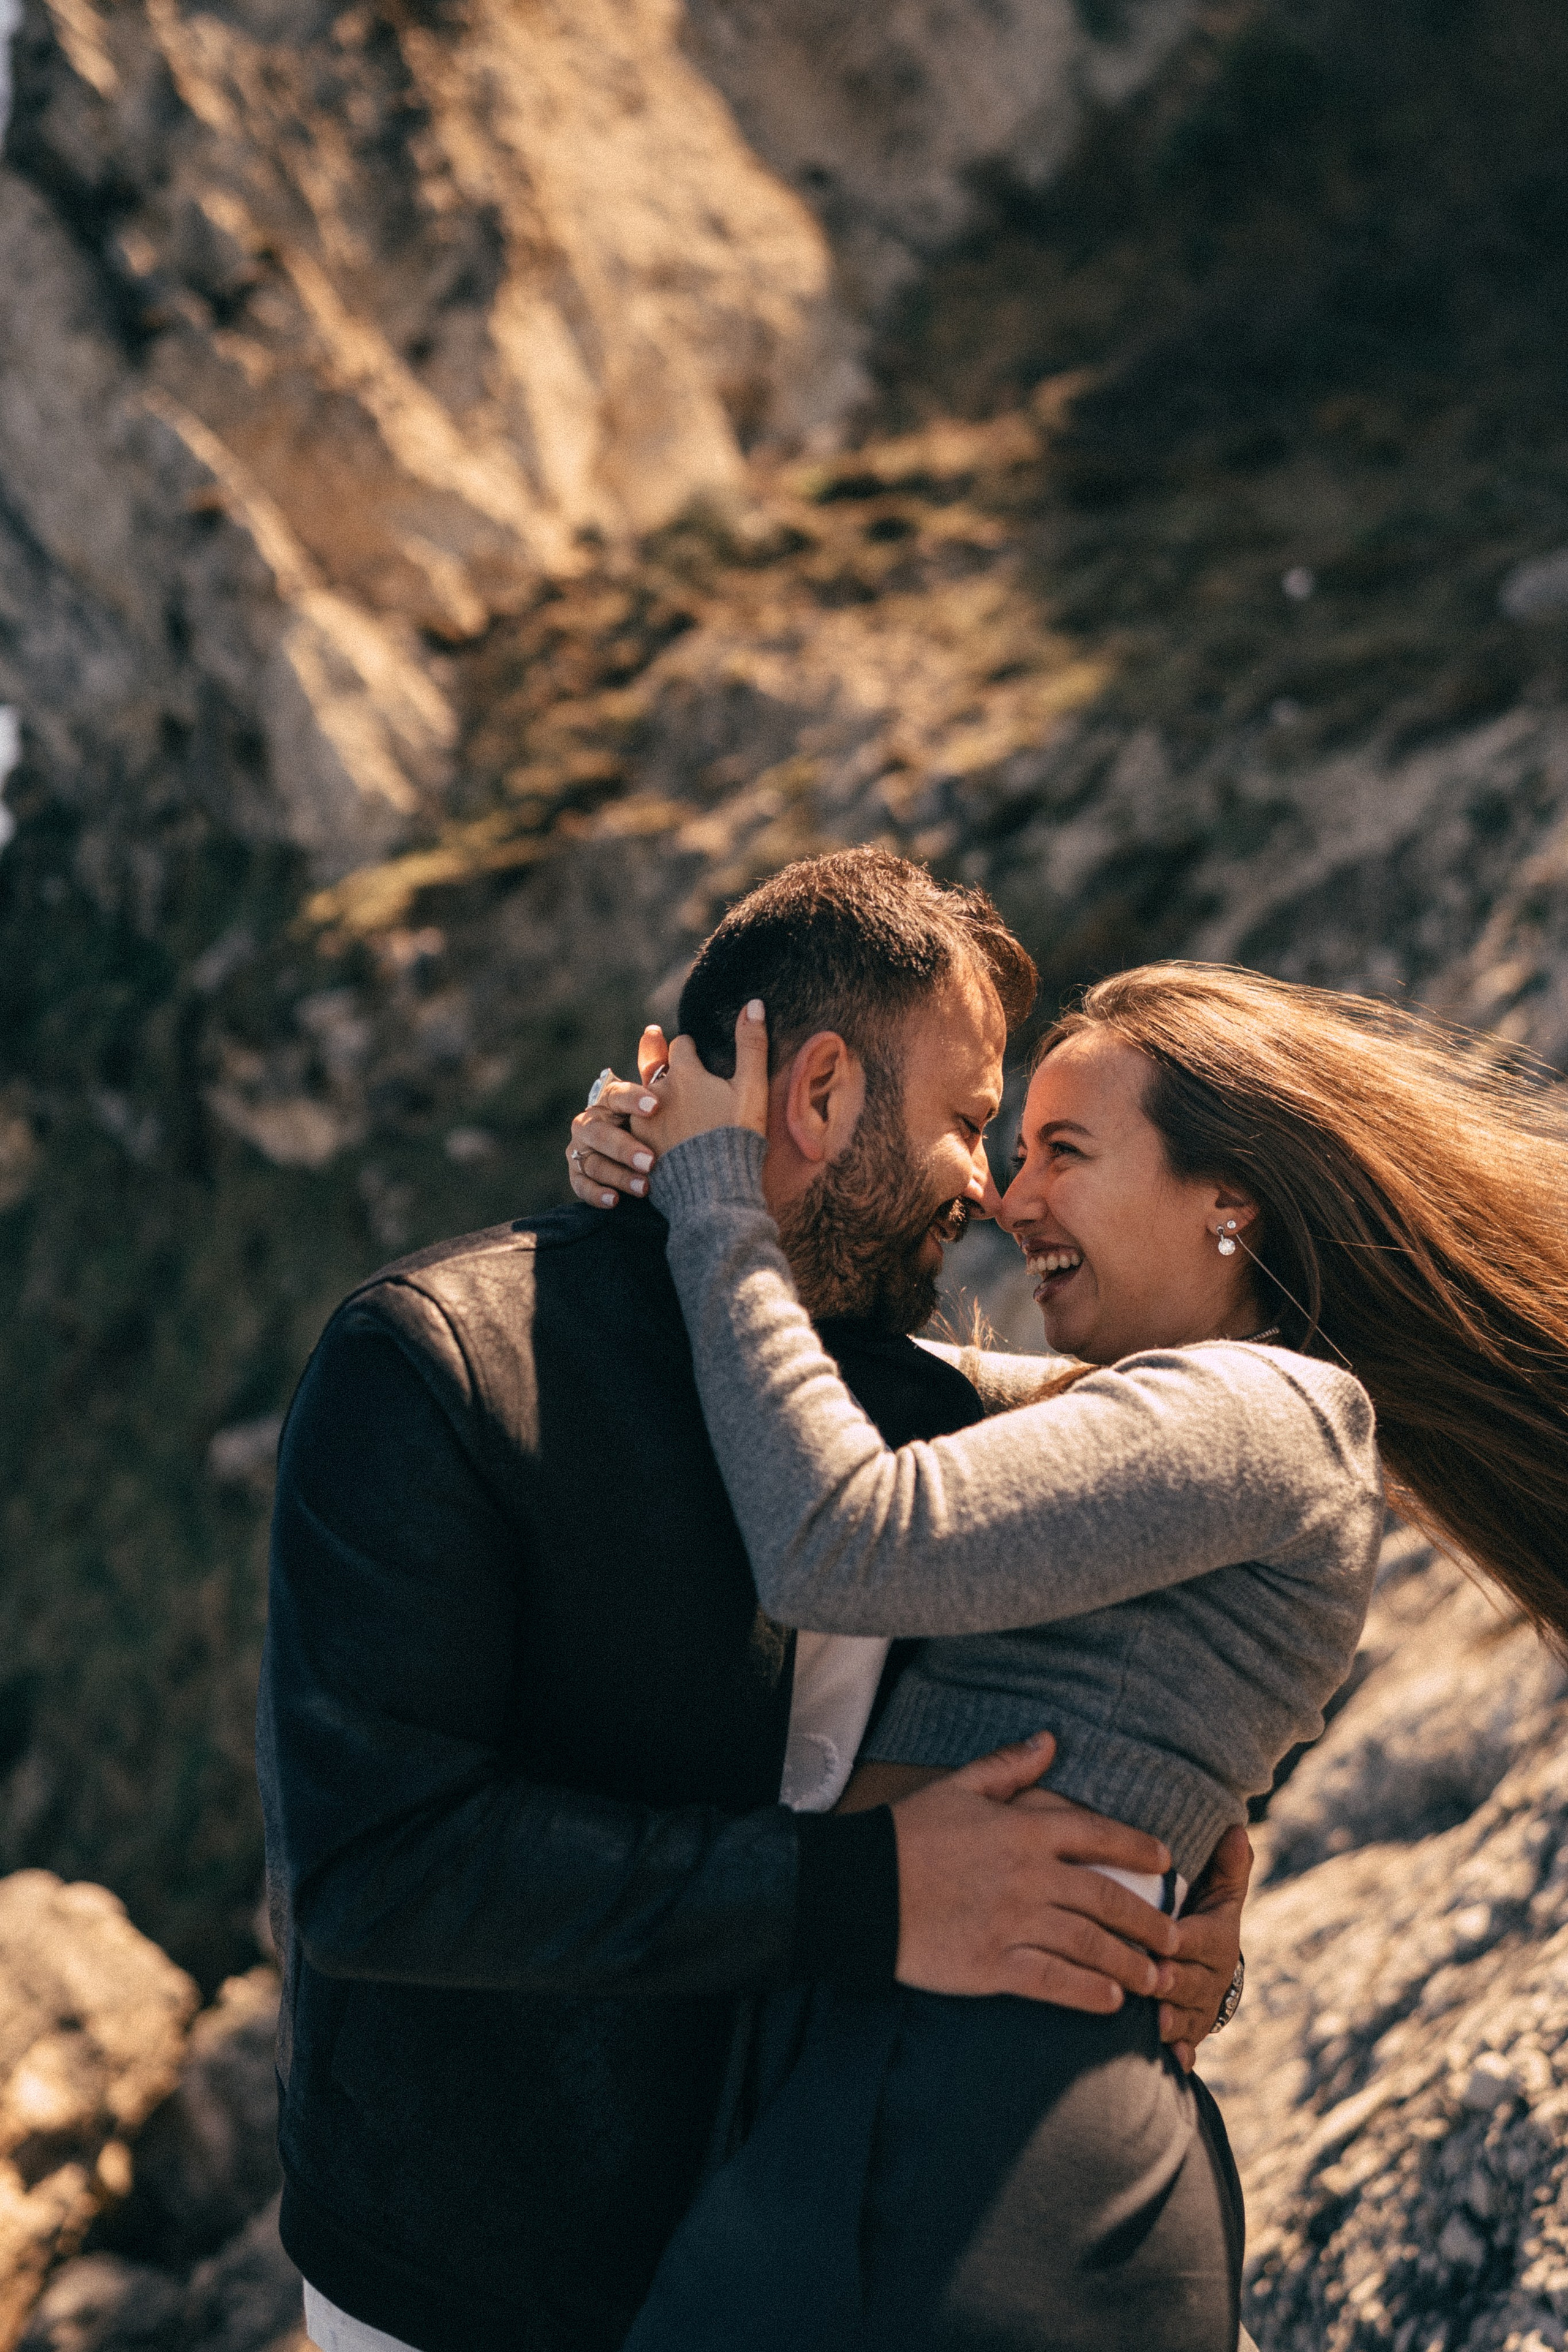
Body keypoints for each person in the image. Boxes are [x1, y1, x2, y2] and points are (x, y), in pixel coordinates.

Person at [257, 853, 1248, 2352]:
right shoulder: (438, 1366)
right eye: (969, 1122)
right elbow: (376, 1869)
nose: (986, 1189)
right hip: (469, 2288)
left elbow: (1117, 1653)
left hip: (801, 2251)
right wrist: (874, 1897)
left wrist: (1193, 1873)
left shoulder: (926, 1413)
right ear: (822, 1093)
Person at [569, 959, 1568, 2350]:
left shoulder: (1273, 1412)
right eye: (1011, 1145)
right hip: (911, 2098)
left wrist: (716, 1194)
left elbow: (839, 1534)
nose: (1002, 1194)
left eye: (1063, 1152)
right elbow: (823, 1383)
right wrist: (648, 1160)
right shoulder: (1138, 1410)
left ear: (1228, 1205)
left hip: (986, 2139)